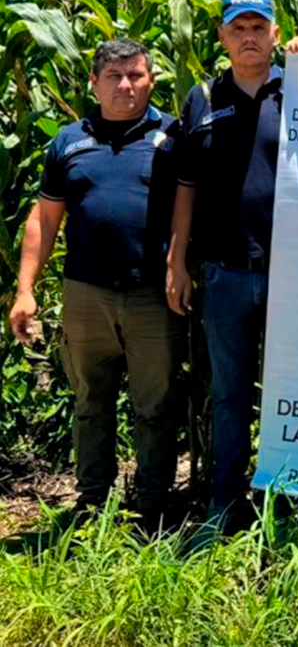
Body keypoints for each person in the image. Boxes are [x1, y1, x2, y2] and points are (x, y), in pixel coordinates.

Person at [166, 0, 298, 532]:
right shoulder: (203, 100)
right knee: (230, 396)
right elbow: (186, 184)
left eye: (260, 27)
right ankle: (224, 508)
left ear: (276, 34)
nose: (250, 37)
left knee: (296, 394)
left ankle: (291, 508)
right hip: (225, 273)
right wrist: (177, 261)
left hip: (294, 278)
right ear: (222, 38)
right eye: (239, 28)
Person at [8, 38, 184, 528]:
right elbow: (43, 221)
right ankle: (91, 503)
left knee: (156, 404)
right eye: (114, 76)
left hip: (155, 294)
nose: (126, 85)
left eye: (136, 75)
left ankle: (151, 507)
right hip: (86, 294)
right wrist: (25, 290)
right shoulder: (69, 141)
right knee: (91, 400)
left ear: (151, 79)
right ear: (94, 83)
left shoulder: (172, 137)